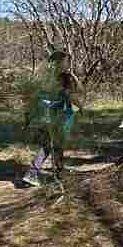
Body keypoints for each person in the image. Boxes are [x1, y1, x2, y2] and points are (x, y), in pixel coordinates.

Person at [22, 48, 81, 188]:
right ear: (61, 62)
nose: (67, 64)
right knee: (50, 145)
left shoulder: (43, 77)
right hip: (58, 116)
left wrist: (28, 117)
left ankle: (59, 174)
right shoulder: (65, 77)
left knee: (54, 145)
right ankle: (33, 173)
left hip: (45, 115)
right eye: (66, 61)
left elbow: (33, 98)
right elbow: (73, 95)